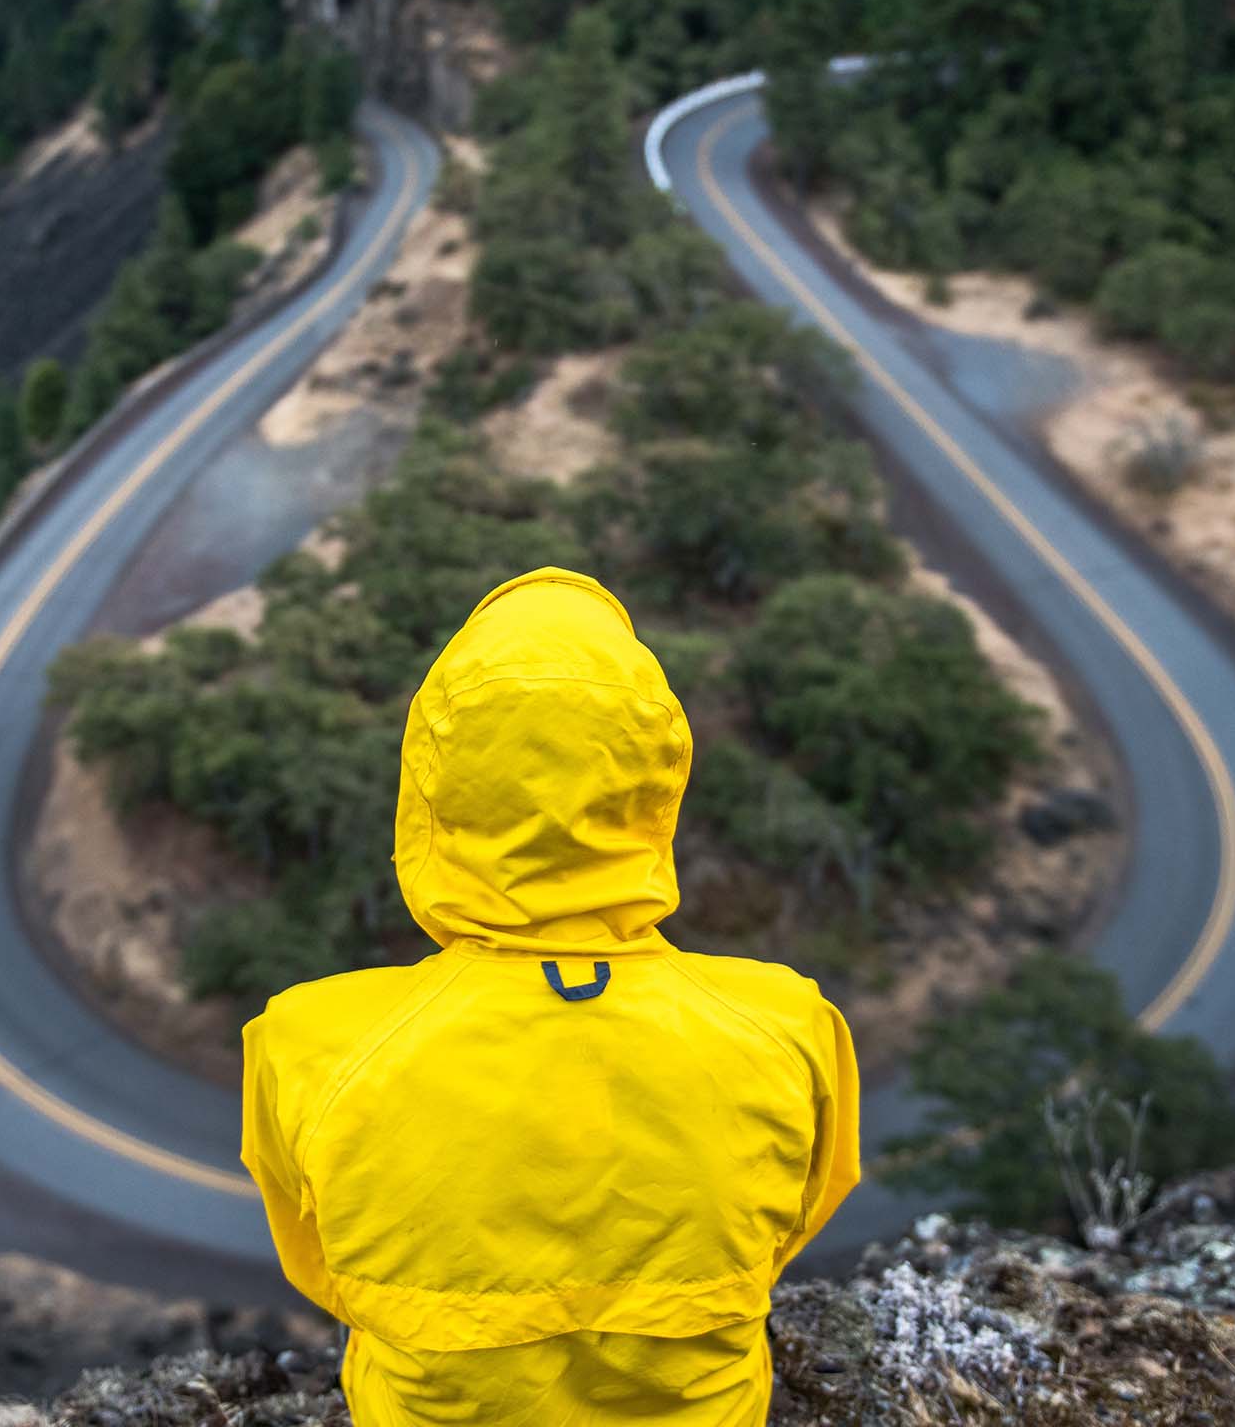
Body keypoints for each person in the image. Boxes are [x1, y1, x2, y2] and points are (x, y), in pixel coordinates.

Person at [241, 566, 861, 1426]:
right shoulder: (789, 1028)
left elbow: (326, 1272)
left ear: (430, 789)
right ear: (657, 784)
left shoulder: (310, 1043)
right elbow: (785, 1233)